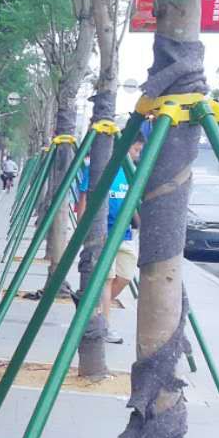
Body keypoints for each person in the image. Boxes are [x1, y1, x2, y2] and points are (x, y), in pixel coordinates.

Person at [74, 141, 142, 344]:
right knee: (107, 278)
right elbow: (84, 198)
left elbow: (134, 202)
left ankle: (89, 307)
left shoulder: (132, 172)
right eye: (135, 149)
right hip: (103, 233)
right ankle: (103, 325)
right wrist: (82, 228)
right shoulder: (101, 168)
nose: (137, 154)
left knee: (125, 276)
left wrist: (141, 224)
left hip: (124, 234)